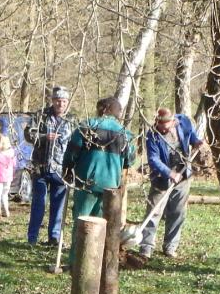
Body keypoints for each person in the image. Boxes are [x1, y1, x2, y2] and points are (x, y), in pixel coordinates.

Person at [61, 97, 135, 245]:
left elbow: (72, 152)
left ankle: (76, 256)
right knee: (101, 227)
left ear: (103, 109)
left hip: (86, 183)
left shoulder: (87, 126)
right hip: (111, 187)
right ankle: (96, 256)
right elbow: (130, 160)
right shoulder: (125, 134)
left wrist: (67, 169)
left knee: (82, 224)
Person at [139, 107, 204, 260]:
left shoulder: (184, 122)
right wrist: (169, 173)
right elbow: (153, 159)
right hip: (162, 177)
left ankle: (170, 246)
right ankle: (146, 248)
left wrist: (196, 142)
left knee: (178, 212)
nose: (161, 128)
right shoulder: (152, 135)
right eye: (159, 125)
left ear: (173, 122)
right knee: (154, 212)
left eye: (165, 126)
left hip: (183, 175)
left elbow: (191, 135)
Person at [25, 86, 75, 246]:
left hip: (62, 170)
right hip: (40, 167)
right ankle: (32, 238)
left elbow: (77, 143)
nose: (61, 104)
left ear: (67, 102)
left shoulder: (72, 120)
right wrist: (44, 137)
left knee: (58, 205)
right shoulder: (41, 116)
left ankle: (54, 238)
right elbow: (28, 134)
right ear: (53, 101)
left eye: (64, 101)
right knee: (38, 204)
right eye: (58, 100)